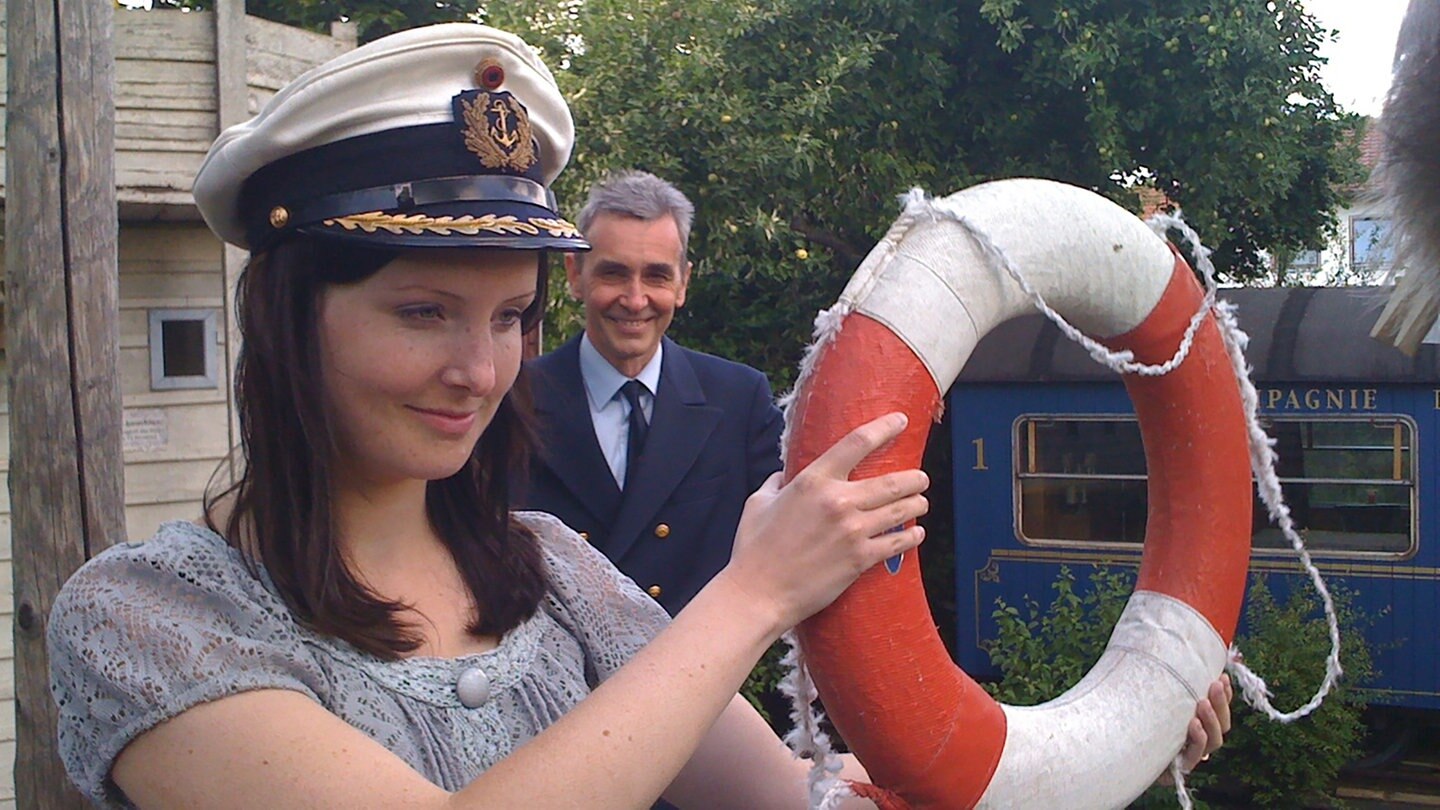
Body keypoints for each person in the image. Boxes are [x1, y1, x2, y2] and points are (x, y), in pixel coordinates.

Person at [45, 23, 929, 809]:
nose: (478, 372)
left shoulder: (555, 569)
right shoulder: (148, 616)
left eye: (509, 317)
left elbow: (788, 795)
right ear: (288, 320)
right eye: (423, 312)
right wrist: (755, 593)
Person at [519, 170, 783, 614]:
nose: (635, 299)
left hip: (698, 656)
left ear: (682, 284)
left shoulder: (740, 401)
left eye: (657, 276)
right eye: (614, 273)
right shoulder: (513, 401)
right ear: (575, 275)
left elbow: (787, 543)